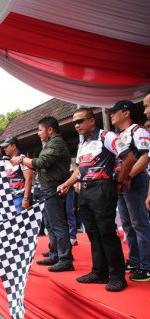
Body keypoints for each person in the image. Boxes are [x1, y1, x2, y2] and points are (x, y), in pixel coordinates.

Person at [58, 107, 128, 292]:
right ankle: (99, 272)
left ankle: (118, 276)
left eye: (80, 121)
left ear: (92, 121)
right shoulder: (82, 144)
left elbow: (128, 158)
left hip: (103, 189)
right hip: (86, 192)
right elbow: (79, 169)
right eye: (74, 123)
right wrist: (67, 183)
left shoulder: (108, 136)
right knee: (93, 234)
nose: (76, 125)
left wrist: (120, 181)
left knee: (107, 233)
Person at [10, 116, 73, 272]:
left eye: (40, 130)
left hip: (53, 187)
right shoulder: (50, 144)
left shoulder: (56, 143)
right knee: (50, 224)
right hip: (47, 188)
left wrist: (22, 160)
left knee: (57, 224)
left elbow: (42, 162)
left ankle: (65, 258)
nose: (38, 133)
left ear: (50, 130)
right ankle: (55, 254)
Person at [108, 100, 150, 283]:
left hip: (135, 181)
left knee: (139, 223)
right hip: (122, 182)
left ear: (126, 112)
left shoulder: (137, 130)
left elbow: (145, 157)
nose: (111, 115)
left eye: (115, 111)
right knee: (127, 224)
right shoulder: (120, 134)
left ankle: (147, 266)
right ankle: (135, 260)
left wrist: (128, 177)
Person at [0, 136, 33, 214]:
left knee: (22, 223)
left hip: (19, 197)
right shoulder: (5, 160)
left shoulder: (23, 159)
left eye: (6, 146)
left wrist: (26, 198)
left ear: (14, 146)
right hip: (8, 199)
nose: (4, 149)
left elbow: (29, 179)